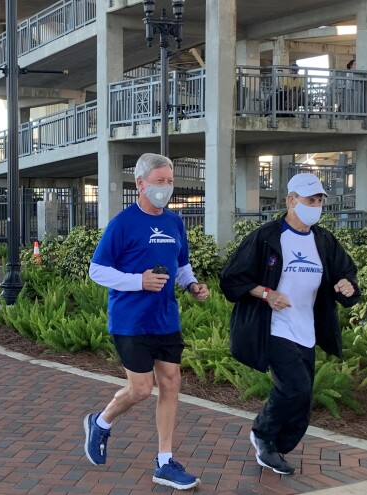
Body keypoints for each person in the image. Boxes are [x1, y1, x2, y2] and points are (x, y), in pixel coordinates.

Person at [219, 173, 360, 476]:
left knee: (303, 395)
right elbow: (232, 278)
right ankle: (263, 435)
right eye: (311, 200)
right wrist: (267, 294)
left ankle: (275, 445)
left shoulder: (323, 240)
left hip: (306, 329)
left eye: (320, 200)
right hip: (274, 327)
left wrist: (347, 285)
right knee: (294, 386)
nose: (317, 205)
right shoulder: (267, 237)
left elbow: (345, 272)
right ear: (291, 201)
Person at [83, 153, 208, 491]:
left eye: (169, 182)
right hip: (130, 320)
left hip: (165, 318)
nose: (165, 188)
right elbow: (97, 270)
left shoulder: (174, 222)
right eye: (159, 181)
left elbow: (181, 264)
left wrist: (192, 285)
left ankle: (165, 461)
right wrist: (138, 281)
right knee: (141, 389)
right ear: (140, 184)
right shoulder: (123, 223)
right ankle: (101, 421)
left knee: (170, 384)